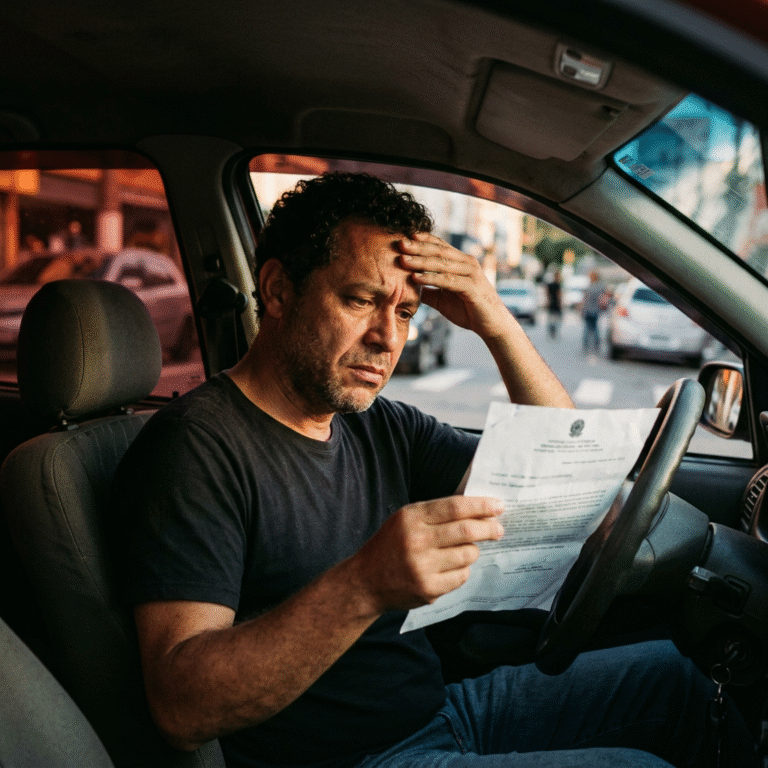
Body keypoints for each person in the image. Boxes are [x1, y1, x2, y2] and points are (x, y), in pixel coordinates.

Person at [113, 172, 756, 768]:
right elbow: (181, 707)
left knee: (678, 680)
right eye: (361, 300)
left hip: (441, 709)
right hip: (361, 758)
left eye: (405, 312)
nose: (388, 339)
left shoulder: (375, 423)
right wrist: (364, 585)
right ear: (278, 290)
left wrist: (496, 322)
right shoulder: (195, 449)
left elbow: (566, 466)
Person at [580, 270, 608, 354]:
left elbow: (585, 300)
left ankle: (585, 347)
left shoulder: (589, 287)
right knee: (595, 328)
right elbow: (604, 299)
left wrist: (582, 310)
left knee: (587, 329)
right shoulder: (601, 287)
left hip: (588, 310)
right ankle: (596, 346)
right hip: (596, 310)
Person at [545, 268, 563, 338]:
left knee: (551, 319)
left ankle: (551, 331)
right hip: (555, 304)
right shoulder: (558, 285)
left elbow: (547, 294)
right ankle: (553, 331)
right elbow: (559, 295)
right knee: (556, 319)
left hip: (551, 303)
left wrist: (548, 302)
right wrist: (560, 304)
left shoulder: (550, 285)